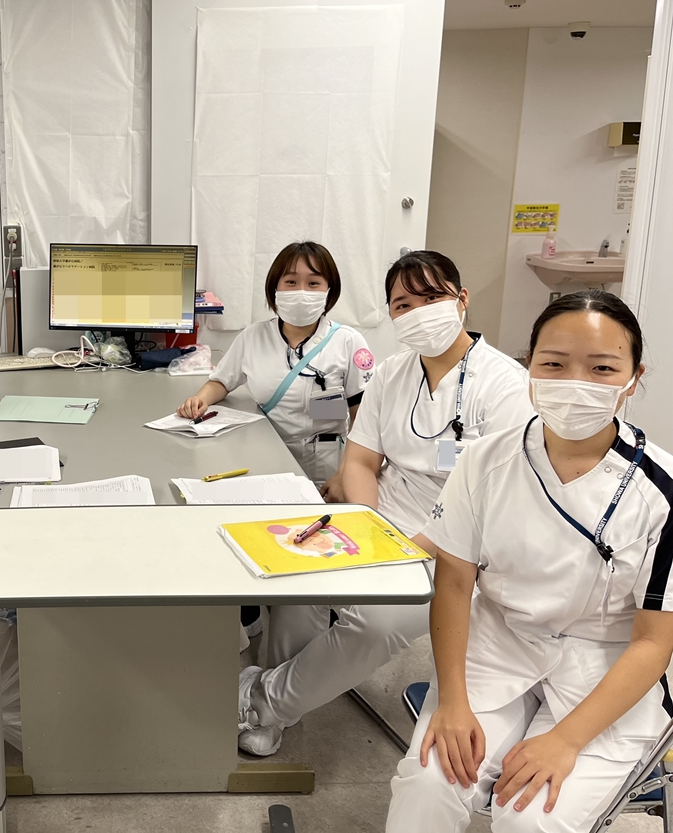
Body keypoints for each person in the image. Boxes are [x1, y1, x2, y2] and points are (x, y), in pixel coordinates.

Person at [386, 290, 673, 833]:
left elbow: (654, 642)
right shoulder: (484, 460)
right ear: (529, 368)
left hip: (603, 668)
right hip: (500, 645)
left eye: (602, 368)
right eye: (554, 364)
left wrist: (565, 741)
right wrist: (452, 701)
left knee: (530, 818)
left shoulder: (661, 492)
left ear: (633, 378)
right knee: (429, 784)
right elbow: (454, 584)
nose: (575, 382)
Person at [238, 249, 534, 757]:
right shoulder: (393, 373)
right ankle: (283, 703)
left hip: (458, 545)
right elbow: (360, 461)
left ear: (461, 299)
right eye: (403, 304)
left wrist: (410, 547)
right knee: (299, 583)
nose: (418, 312)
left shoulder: (506, 385)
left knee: (376, 622)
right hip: (378, 517)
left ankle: (265, 702)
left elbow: (496, 499)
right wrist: (368, 526)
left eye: (431, 298)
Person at [177, 240, 373, 496]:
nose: (301, 291)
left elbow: (363, 421)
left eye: (313, 283)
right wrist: (199, 399)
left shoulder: (348, 342)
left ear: (329, 290)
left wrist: (343, 476)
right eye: (291, 282)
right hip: (265, 454)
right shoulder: (253, 336)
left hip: (326, 465)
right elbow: (222, 381)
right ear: (275, 288)